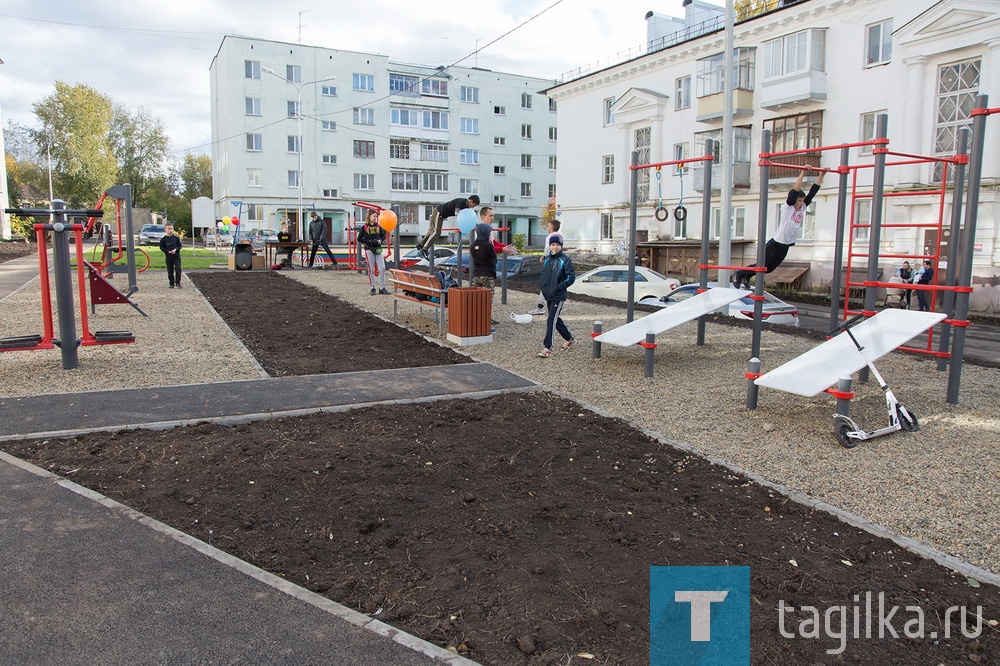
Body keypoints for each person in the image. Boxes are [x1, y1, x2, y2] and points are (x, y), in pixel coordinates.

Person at [732, 166, 824, 290]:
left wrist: (822, 174)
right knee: (761, 265)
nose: (801, 203)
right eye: (799, 201)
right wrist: (803, 172)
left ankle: (747, 276)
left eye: (802, 201)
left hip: (786, 244)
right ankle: (739, 273)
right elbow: (794, 191)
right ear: (794, 201)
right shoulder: (788, 208)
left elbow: (813, 191)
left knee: (769, 269)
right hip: (776, 242)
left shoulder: (802, 208)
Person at [537, 235, 576, 358]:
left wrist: (559, 287)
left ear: (561, 246)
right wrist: (543, 286)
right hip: (548, 294)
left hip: (558, 295)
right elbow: (543, 275)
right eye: (553, 245)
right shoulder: (547, 259)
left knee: (551, 320)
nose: (555, 247)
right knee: (555, 319)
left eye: (557, 245)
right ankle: (570, 339)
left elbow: (571, 278)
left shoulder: (565, 260)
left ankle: (548, 348)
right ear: (550, 246)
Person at [528, 218, 562, 315]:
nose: (547, 228)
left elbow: (548, 249)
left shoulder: (550, 236)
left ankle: (540, 306)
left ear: (552, 227)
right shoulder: (560, 236)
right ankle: (559, 304)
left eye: (548, 226)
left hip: (550, 263)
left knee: (545, 283)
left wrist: (543, 257)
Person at [359, 211, 389, 295]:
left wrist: (380, 240)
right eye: (374, 216)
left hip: (378, 249)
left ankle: (382, 287)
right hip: (369, 249)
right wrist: (369, 241)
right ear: (369, 216)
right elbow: (359, 238)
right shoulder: (364, 227)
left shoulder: (378, 226)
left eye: (376, 216)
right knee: (371, 269)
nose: (375, 218)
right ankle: (372, 287)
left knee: (382, 268)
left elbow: (383, 235)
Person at [159, 223, 183, 289]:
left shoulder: (176, 238)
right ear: (165, 230)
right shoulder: (163, 239)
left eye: (171, 229)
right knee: (170, 270)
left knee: (178, 269)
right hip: (169, 256)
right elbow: (161, 247)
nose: (170, 230)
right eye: (169, 229)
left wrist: (175, 249)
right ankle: (171, 283)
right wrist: (167, 251)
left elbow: (179, 246)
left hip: (176, 256)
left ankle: (178, 283)